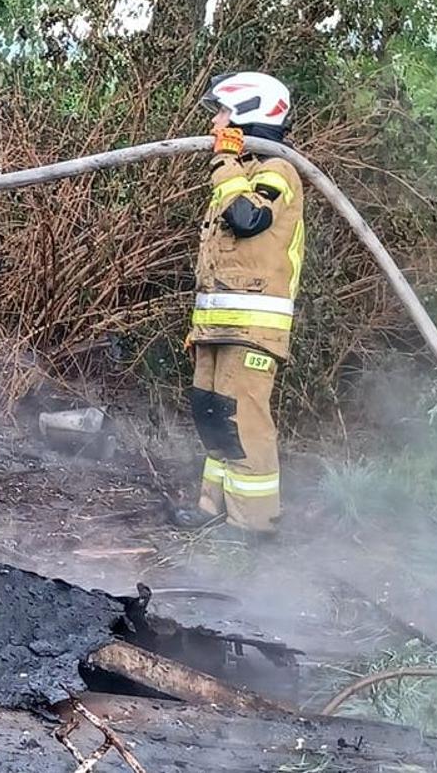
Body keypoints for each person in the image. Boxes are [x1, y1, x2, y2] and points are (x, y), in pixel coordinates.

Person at [174, 71, 307, 539]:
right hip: (218, 327)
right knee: (213, 414)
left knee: (244, 420)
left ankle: (253, 524)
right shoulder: (239, 171)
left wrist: (226, 162)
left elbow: (247, 219)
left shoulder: (278, 170)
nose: (214, 122)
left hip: (253, 329)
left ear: (249, 113)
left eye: (223, 113)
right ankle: (214, 507)